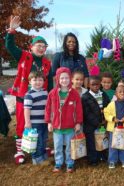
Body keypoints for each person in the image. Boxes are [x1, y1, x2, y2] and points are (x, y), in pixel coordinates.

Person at [5, 16, 53, 164]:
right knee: (22, 124)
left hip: (42, 99)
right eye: (38, 45)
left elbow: (50, 81)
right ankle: (20, 151)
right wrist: (11, 31)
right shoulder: (24, 56)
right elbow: (10, 47)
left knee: (42, 123)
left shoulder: (46, 63)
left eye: (43, 46)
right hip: (23, 97)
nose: (41, 48)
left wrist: (50, 99)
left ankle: (41, 146)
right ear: (31, 47)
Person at [45, 67, 82, 173]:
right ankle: (58, 163)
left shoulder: (74, 93)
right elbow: (48, 108)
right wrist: (49, 122)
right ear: (57, 79)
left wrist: (78, 122)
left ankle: (70, 163)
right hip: (57, 127)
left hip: (70, 126)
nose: (64, 80)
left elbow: (79, 109)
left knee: (69, 147)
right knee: (57, 146)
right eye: (62, 78)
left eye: (66, 78)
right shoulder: (52, 93)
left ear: (70, 79)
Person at [81, 76, 110, 166]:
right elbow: (87, 113)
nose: (96, 86)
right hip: (91, 125)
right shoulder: (85, 97)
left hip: (103, 123)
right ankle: (93, 159)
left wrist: (105, 119)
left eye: (97, 84)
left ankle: (103, 156)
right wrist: (97, 122)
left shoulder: (103, 94)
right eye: (93, 85)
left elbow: (108, 107)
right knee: (92, 142)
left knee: (103, 139)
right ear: (89, 85)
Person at [24, 71, 48, 165]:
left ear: (43, 81)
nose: (38, 82)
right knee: (37, 141)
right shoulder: (29, 95)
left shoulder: (45, 92)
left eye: (40, 80)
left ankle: (42, 155)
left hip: (44, 121)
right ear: (30, 81)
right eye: (35, 80)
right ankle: (37, 159)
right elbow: (26, 109)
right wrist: (27, 122)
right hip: (35, 122)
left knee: (44, 139)